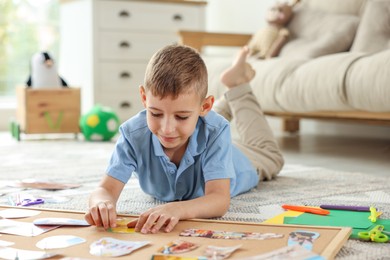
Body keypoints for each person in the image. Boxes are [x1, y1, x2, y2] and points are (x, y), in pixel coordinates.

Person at [84, 44, 284, 234]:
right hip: (200, 128)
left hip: (245, 159)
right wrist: (101, 203)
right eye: (155, 113)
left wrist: (177, 209)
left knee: (271, 155)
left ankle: (237, 85)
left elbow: (219, 200)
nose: (167, 129)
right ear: (144, 98)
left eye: (180, 116)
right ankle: (198, 113)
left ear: (205, 106)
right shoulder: (133, 135)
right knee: (196, 123)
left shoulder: (216, 131)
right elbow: (105, 189)